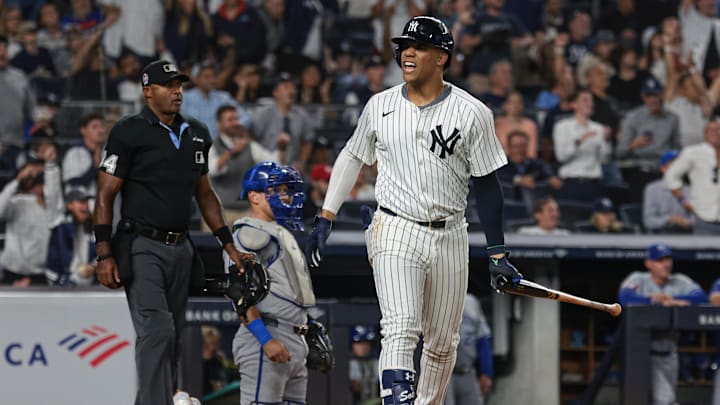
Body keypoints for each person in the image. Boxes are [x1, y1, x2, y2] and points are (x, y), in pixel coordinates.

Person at [304, 16, 522, 405]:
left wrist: (498, 251)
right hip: (395, 226)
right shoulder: (380, 105)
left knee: (442, 344)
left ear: (442, 57)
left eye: (419, 46)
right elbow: (353, 156)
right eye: (405, 45)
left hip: (451, 232)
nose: (408, 52)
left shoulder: (472, 112)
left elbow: (488, 185)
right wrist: (327, 215)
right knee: (401, 326)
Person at [93, 60, 251, 405]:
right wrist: (104, 252)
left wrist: (229, 245)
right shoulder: (128, 131)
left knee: (174, 337)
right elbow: (105, 193)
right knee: (157, 331)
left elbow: (205, 194)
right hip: (141, 244)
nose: (177, 91)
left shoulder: (197, 132)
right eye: (168, 85)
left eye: (179, 85)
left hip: (181, 247)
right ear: (148, 91)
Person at [229, 162, 317, 404]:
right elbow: (239, 293)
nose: (285, 196)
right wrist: (265, 339)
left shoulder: (277, 232)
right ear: (254, 196)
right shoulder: (249, 234)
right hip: (267, 335)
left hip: (293, 337)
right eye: (276, 190)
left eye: (285, 190)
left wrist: (308, 324)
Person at [618, 243, 707, 405]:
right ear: (649, 263)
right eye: (660, 260)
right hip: (642, 353)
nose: (666, 264)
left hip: (670, 352)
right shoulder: (638, 279)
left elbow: (701, 298)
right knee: (662, 400)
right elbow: (624, 298)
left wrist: (676, 301)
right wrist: (652, 301)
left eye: (668, 259)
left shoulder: (679, 281)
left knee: (664, 398)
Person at [206, 104, 278, 229]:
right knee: (214, 247)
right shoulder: (211, 146)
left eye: (236, 119)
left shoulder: (249, 146)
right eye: (230, 120)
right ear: (219, 124)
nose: (235, 123)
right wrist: (232, 151)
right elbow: (213, 170)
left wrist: (282, 148)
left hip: (247, 210)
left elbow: (273, 162)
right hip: (219, 212)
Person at [664, 119, 720, 234]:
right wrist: (683, 200)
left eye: (719, 130)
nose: (716, 133)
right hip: (704, 217)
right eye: (712, 130)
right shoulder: (693, 152)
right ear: (705, 133)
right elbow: (671, 176)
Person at [443, 293, 493, 405]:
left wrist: (486, 371)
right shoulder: (436, 300)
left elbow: (482, 338)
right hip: (443, 374)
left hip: (467, 371)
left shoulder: (471, 302)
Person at [643, 150, 693, 233]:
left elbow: (698, 219)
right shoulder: (652, 189)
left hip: (686, 234)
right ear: (663, 169)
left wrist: (686, 222)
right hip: (660, 234)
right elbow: (648, 221)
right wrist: (670, 219)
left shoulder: (691, 190)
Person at [350, 325, 380, 405]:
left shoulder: (376, 362)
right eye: (359, 343)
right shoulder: (347, 363)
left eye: (366, 342)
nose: (363, 347)